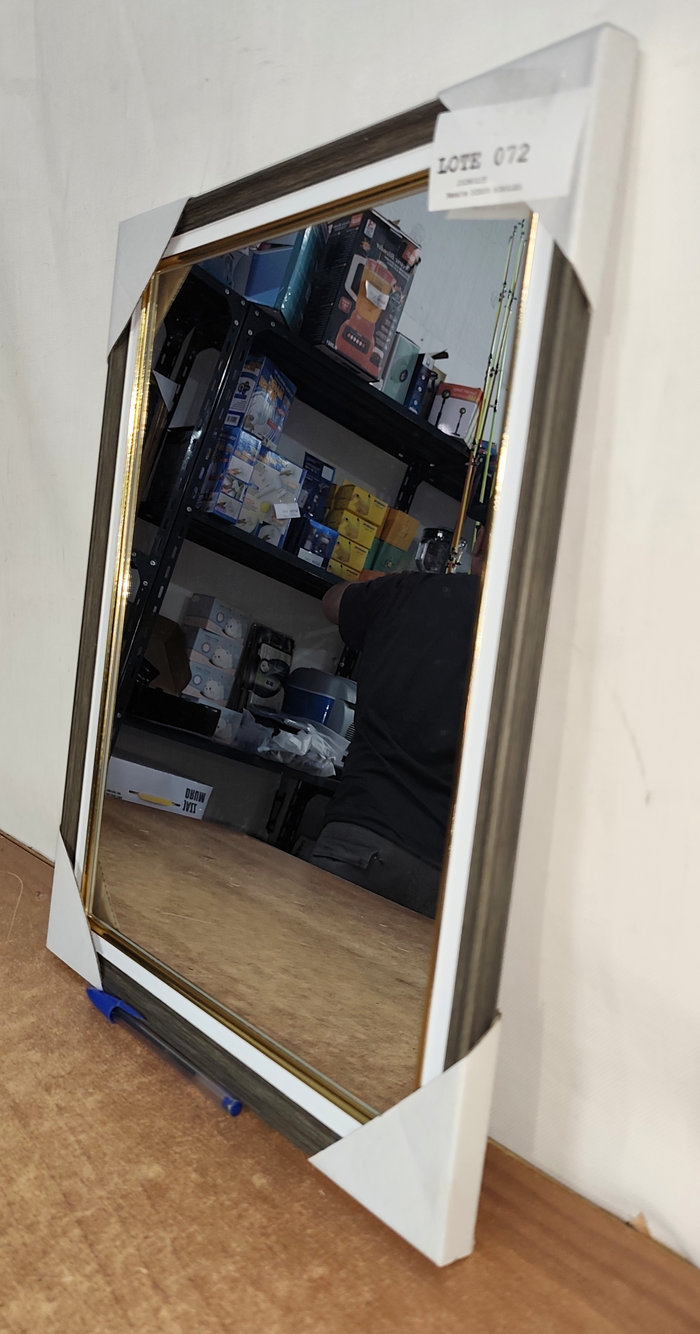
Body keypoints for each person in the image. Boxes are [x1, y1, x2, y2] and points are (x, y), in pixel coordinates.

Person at [308, 566, 481, 918]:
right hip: (446, 871)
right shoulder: (533, 644)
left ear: (478, 548)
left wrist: (383, 586)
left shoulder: (412, 590)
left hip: (363, 834)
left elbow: (332, 602)